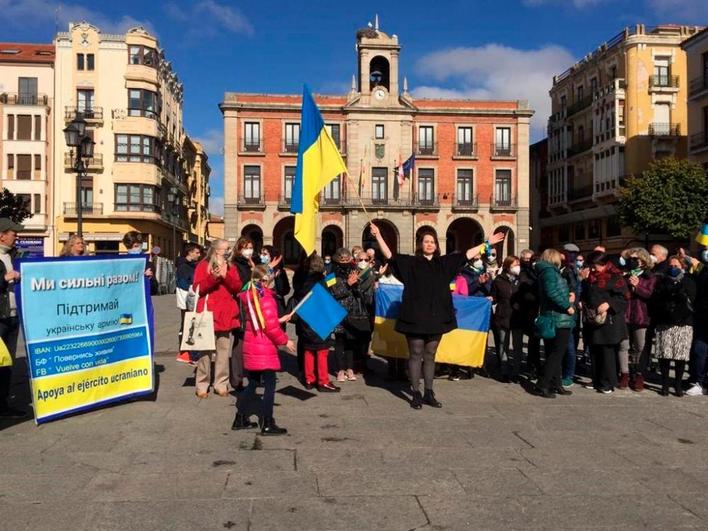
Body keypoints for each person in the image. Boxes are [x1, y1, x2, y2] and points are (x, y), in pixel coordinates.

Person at [370, 222, 504, 409]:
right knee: (416, 354)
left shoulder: (444, 263)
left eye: (432, 241)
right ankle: (415, 392)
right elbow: (390, 255)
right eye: (426, 241)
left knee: (431, 355)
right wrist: (377, 235)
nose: (430, 244)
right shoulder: (411, 263)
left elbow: (466, 255)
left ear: (436, 245)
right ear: (421, 244)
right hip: (414, 317)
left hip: (437, 316)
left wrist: (486, 243)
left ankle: (429, 392)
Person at [233, 265, 295, 434]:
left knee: (253, 383)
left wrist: (280, 319)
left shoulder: (250, 296)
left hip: (253, 343)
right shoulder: (266, 298)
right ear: (265, 281)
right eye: (271, 280)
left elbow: (263, 321)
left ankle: (240, 418)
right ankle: (267, 422)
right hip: (264, 346)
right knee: (269, 385)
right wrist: (285, 341)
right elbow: (270, 327)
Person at [192, 239, 242, 398]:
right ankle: (202, 384)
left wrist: (225, 275)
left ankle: (221, 383)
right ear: (216, 250)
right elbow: (197, 288)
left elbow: (237, 287)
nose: (228, 251)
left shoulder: (231, 266)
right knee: (205, 352)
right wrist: (213, 277)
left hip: (226, 313)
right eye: (226, 249)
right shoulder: (203, 265)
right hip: (208, 313)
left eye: (229, 249)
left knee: (223, 351)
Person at [582, 251, 628, 394]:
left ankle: (607, 382)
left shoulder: (615, 277)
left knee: (607, 353)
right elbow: (587, 294)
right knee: (594, 351)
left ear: (604, 264)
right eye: (592, 266)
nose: (594, 269)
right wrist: (583, 281)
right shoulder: (590, 277)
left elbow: (623, 298)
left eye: (596, 266)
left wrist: (609, 304)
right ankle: (596, 379)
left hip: (609, 321)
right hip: (593, 319)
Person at [292, 256, 340, 392]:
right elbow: (329, 298)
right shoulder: (322, 280)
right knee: (322, 350)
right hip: (319, 320)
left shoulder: (303, 279)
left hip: (305, 319)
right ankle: (323, 381)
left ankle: (309, 379)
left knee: (308, 350)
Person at [534, 248, 576, 398]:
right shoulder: (550, 272)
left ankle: (556, 384)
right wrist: (567, 306)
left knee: (554, 353)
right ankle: (543, 384)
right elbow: (552, 292)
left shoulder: (545, 271)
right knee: (556, 353)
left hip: (553, 316)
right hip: (558, 317)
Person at [653, 255, 696, 397]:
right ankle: (664, 385)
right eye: (670, 266)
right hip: (665, 323)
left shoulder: (688, 281)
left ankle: (677, 384)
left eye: (676, 266)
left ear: (682, 267)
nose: (673, 268)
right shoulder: (661, 281)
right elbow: (657, 299)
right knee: (664, 355)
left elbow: (691, 301)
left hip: (683, 324)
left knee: (680, 356)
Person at [328, 247, 370, 382]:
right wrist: (347, 284)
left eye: (347, 259)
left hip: (353, 311)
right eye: (342, 260)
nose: (345, 262)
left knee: (351, 341)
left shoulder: (354, 270)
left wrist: (356, 283)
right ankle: (340, 369)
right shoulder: (331, 274)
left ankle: (350, 368)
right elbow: (333, 293)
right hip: (338, 310)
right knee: (340, 341)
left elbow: (359, 291)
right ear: (336, 260)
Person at [617, 247, 656, 391]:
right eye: (630, 259)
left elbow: (649, 295)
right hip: (624, 315)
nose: (632, 262)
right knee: (623, 345)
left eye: (635, 259)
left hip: (641, 316)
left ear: (643, 260)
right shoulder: (624, 275)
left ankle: (638, 375)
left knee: (640, 347)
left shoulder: (649, 276)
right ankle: (624, 374)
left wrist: (637, 286)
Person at [0, 219, 26, 418]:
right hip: (0, 317)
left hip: (12, 315)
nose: (16, 236)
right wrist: (3, 279)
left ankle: (3, 403)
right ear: (2, 235)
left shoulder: (14, 255)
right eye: (13, 233)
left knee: (7, 363)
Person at [491, 255, 523, 382]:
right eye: (514, 264)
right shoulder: (499, 280)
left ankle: (516, 372)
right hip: (503, 317)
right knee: (503, 345)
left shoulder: (521, 280)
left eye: (518, 264)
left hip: (518, 317)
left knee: (517, 346)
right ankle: (504, 372)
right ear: (507, 266)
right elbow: (494, 297)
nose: (517, 267)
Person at [230, 236, 255, 390]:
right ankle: (236, 378)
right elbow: (239, 285)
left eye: (251, 247)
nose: (249, 250)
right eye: (246, 247)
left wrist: (254, 269)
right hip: (240, 307)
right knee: (239, 342)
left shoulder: (250, 264)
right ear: (239, 249)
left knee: (251, 341)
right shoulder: (234, 265)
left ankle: (251, 373)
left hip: (252, 306)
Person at [176, 243, 202, 361]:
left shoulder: (195, 265)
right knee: (186, 325)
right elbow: (182, 285)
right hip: (186, 301)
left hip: (194, 299)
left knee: (192, 325)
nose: (199, 255)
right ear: (190, 252)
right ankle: (184, 352)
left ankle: (192, 351)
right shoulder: (183, 266)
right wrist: (193, 286)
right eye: (196, 252)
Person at [687, 248, 708, 396]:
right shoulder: (701, 271)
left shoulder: (703, 269)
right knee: (700, 351)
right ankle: (700, 382)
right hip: (702, 316)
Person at [517, 249, 541, 378]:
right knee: (534, 341)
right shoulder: (525, 273)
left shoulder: (542, 274)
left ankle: (538, 366)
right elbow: (524, 290)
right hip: (530, 311)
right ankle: (532, 366)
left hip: (541, 310)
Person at [260, 245, 290, 328]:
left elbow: (285, 290)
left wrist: (279, 278)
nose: (262, 256)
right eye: (261, 254)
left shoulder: (280, 271)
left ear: (272, 256)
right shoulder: (259, 269)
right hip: (264, 307)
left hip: (278, 307)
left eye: (265, 254)